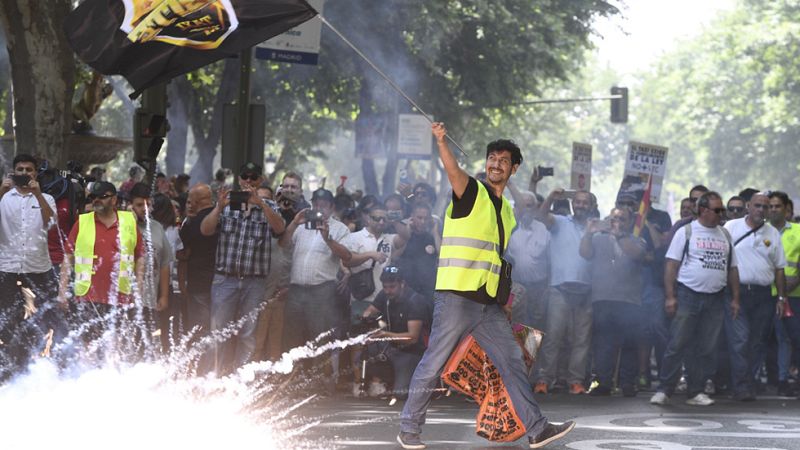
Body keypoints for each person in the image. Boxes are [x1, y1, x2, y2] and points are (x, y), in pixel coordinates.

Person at [398, 122, 574, 450]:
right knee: (433, 363)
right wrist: (441, 141)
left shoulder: (506, 211)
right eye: (492, 158)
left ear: (513, 169)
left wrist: (503, 302)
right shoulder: (471, 192)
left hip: (488, 305)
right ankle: (408, 429)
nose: (495, 164)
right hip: (456, 296)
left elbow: (497, 258)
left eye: (503, 160)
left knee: (512, 361)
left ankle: (537, 429)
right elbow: (453, 170)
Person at [650, 191, 740, 407]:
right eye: (717, 210)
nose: (721, 214)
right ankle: (665, 389)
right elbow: (671, 265)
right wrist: (670, 296)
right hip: (688, 295)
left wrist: (735, 298)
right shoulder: (686, 232)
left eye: (722, 210)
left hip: (716, 298)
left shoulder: (725, 235)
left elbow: (733, 269)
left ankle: (695, 391)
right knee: (677, 343)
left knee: (706, 347)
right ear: (703, 210)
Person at [200, 163, 286, 374]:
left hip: (254, 281)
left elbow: (280, 229)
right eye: (245, 176)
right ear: (239, 179)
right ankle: (212, 378)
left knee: (248, 334)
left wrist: (261, 204)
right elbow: (205, 230)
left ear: (260, 180)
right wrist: (218, 208)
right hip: (225, 279)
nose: (248, 181)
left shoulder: (269, 206)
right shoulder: (227, 203)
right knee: (218, 333)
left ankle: (241, 380)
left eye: (253, 177)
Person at [279, 187, 352, 390]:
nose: (319, 209)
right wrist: (294, 223)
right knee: (291, 337)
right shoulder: (302, 225)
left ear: (331, 207)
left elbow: (347, 256)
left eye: (323, 205)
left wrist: (327, 238)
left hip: (322, 291)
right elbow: (283, 244)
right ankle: (291, 381)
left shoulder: (340, 229)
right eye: (316, 204)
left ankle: (318, 383)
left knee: (319, 337)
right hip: (296, 289)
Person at [59, 181, 145, 345]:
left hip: (121, 295)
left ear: (114, 200)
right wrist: (62, 290)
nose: (96, 200)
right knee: (87, 346)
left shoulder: (129, 222)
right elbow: (68, 257)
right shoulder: (82, 222)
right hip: (87, 296)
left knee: (115, 346)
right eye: (93, 197)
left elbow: (140, 255)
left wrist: (139, 285)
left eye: (102, 197)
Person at [0, 154, 59, 380]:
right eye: (20, 170)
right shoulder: (4, 197)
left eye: (29, 170)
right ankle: (8, 367)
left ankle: (32, 367)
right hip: (7, 268)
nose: (24, 173)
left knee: (39, 320)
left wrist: (37, 194)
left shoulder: (46, 198)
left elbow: (51, 224)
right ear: (14, 172)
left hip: (38, 269)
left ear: (36, 173)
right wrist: (1, 191)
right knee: (7, 320)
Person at [723, 191, 786, 401]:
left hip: (764, 296)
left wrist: (781, 298)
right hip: (737, 293)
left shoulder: (772, 233)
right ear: (748, 206)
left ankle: (748, 383)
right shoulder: (732, 227)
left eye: (765, 207)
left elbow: (779, 268)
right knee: (739, 340)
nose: (761, 210)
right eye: (757, 206)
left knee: (758, 342)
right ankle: (741, 386)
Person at [532, 189, 594, 395]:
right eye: (577, 202)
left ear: (591, 206)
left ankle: (575, 381)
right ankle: (544, 379)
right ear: (572, 204)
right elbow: (540, 216)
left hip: (586, 289)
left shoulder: (595, 227)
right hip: (560, 288)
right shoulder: (560, 222)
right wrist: (550, 196)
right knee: (553, 336)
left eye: (585, 202)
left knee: (581, 339)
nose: (580, 205)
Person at [580, 207, 646, 396]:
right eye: (614, 218)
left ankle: (627, 383)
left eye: (622, 219)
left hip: (629, 300)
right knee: (604, 342)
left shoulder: (637, 239)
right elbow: (584, 253)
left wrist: (619, 236)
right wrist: (588, 233)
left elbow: (635, 254)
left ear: (630, 222)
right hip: (603, 297)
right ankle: (604, 382)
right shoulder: (598, 238)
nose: (617, 222)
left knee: (629, 343)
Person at [361, 266, 429, 399]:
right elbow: (369, 311)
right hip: (390, 347)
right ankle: (380, 381)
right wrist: (368, 319)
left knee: (401, 393)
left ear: (402, 283)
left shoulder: (415, 301)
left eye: (392, 287)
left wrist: (385, 335)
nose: (388, 291)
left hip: (411, 351)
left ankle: (404, 381)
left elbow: (412, 338)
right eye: (385, 287)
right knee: (369, 345)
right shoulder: (384, 295)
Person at [178, 183, 217, 373]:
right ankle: (211, 369)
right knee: (216, 330)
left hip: (198, 283)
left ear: (195, 201)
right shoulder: (220, 219)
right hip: (221, 283)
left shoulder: (192, 224)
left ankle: (200, 371)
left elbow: (183, 253)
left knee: (200, 330)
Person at [128, 183, 172, 340]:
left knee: (147, 341)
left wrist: (164, 296)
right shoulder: (122, 226)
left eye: (148, 204)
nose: (144, 209)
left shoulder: (157, 227)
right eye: (139, 205)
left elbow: (165, 263)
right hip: (125, 298)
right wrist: (130, 221)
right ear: (130, 205)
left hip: (150, 298)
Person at [768, 191, 800, 397]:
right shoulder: (761, 231)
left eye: (777, 206)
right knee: (767, 339)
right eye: (770, 206)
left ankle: (786, 380)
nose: (773, 210)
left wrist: (794, 282)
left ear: (786, 208)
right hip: (765, 294)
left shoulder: (798, 231)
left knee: (790, 338)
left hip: (794, 295)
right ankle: (774, 379)